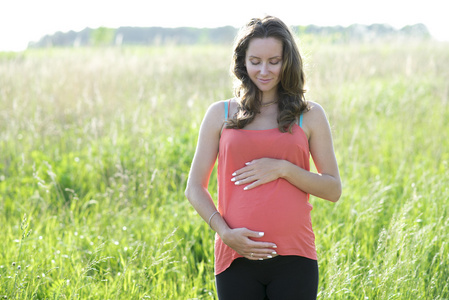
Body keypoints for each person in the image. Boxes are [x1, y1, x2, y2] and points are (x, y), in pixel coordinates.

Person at [185, 15, 341, 300]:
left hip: (295, 256)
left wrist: (283, 168)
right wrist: (224, 232)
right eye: (255, 61)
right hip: (236, 255)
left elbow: (333, 189)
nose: (264, 70)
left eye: (274, 61)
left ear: (287, 61)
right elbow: (194, 187)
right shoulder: (220, 114)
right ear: (243, 62)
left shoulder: (310, 114)